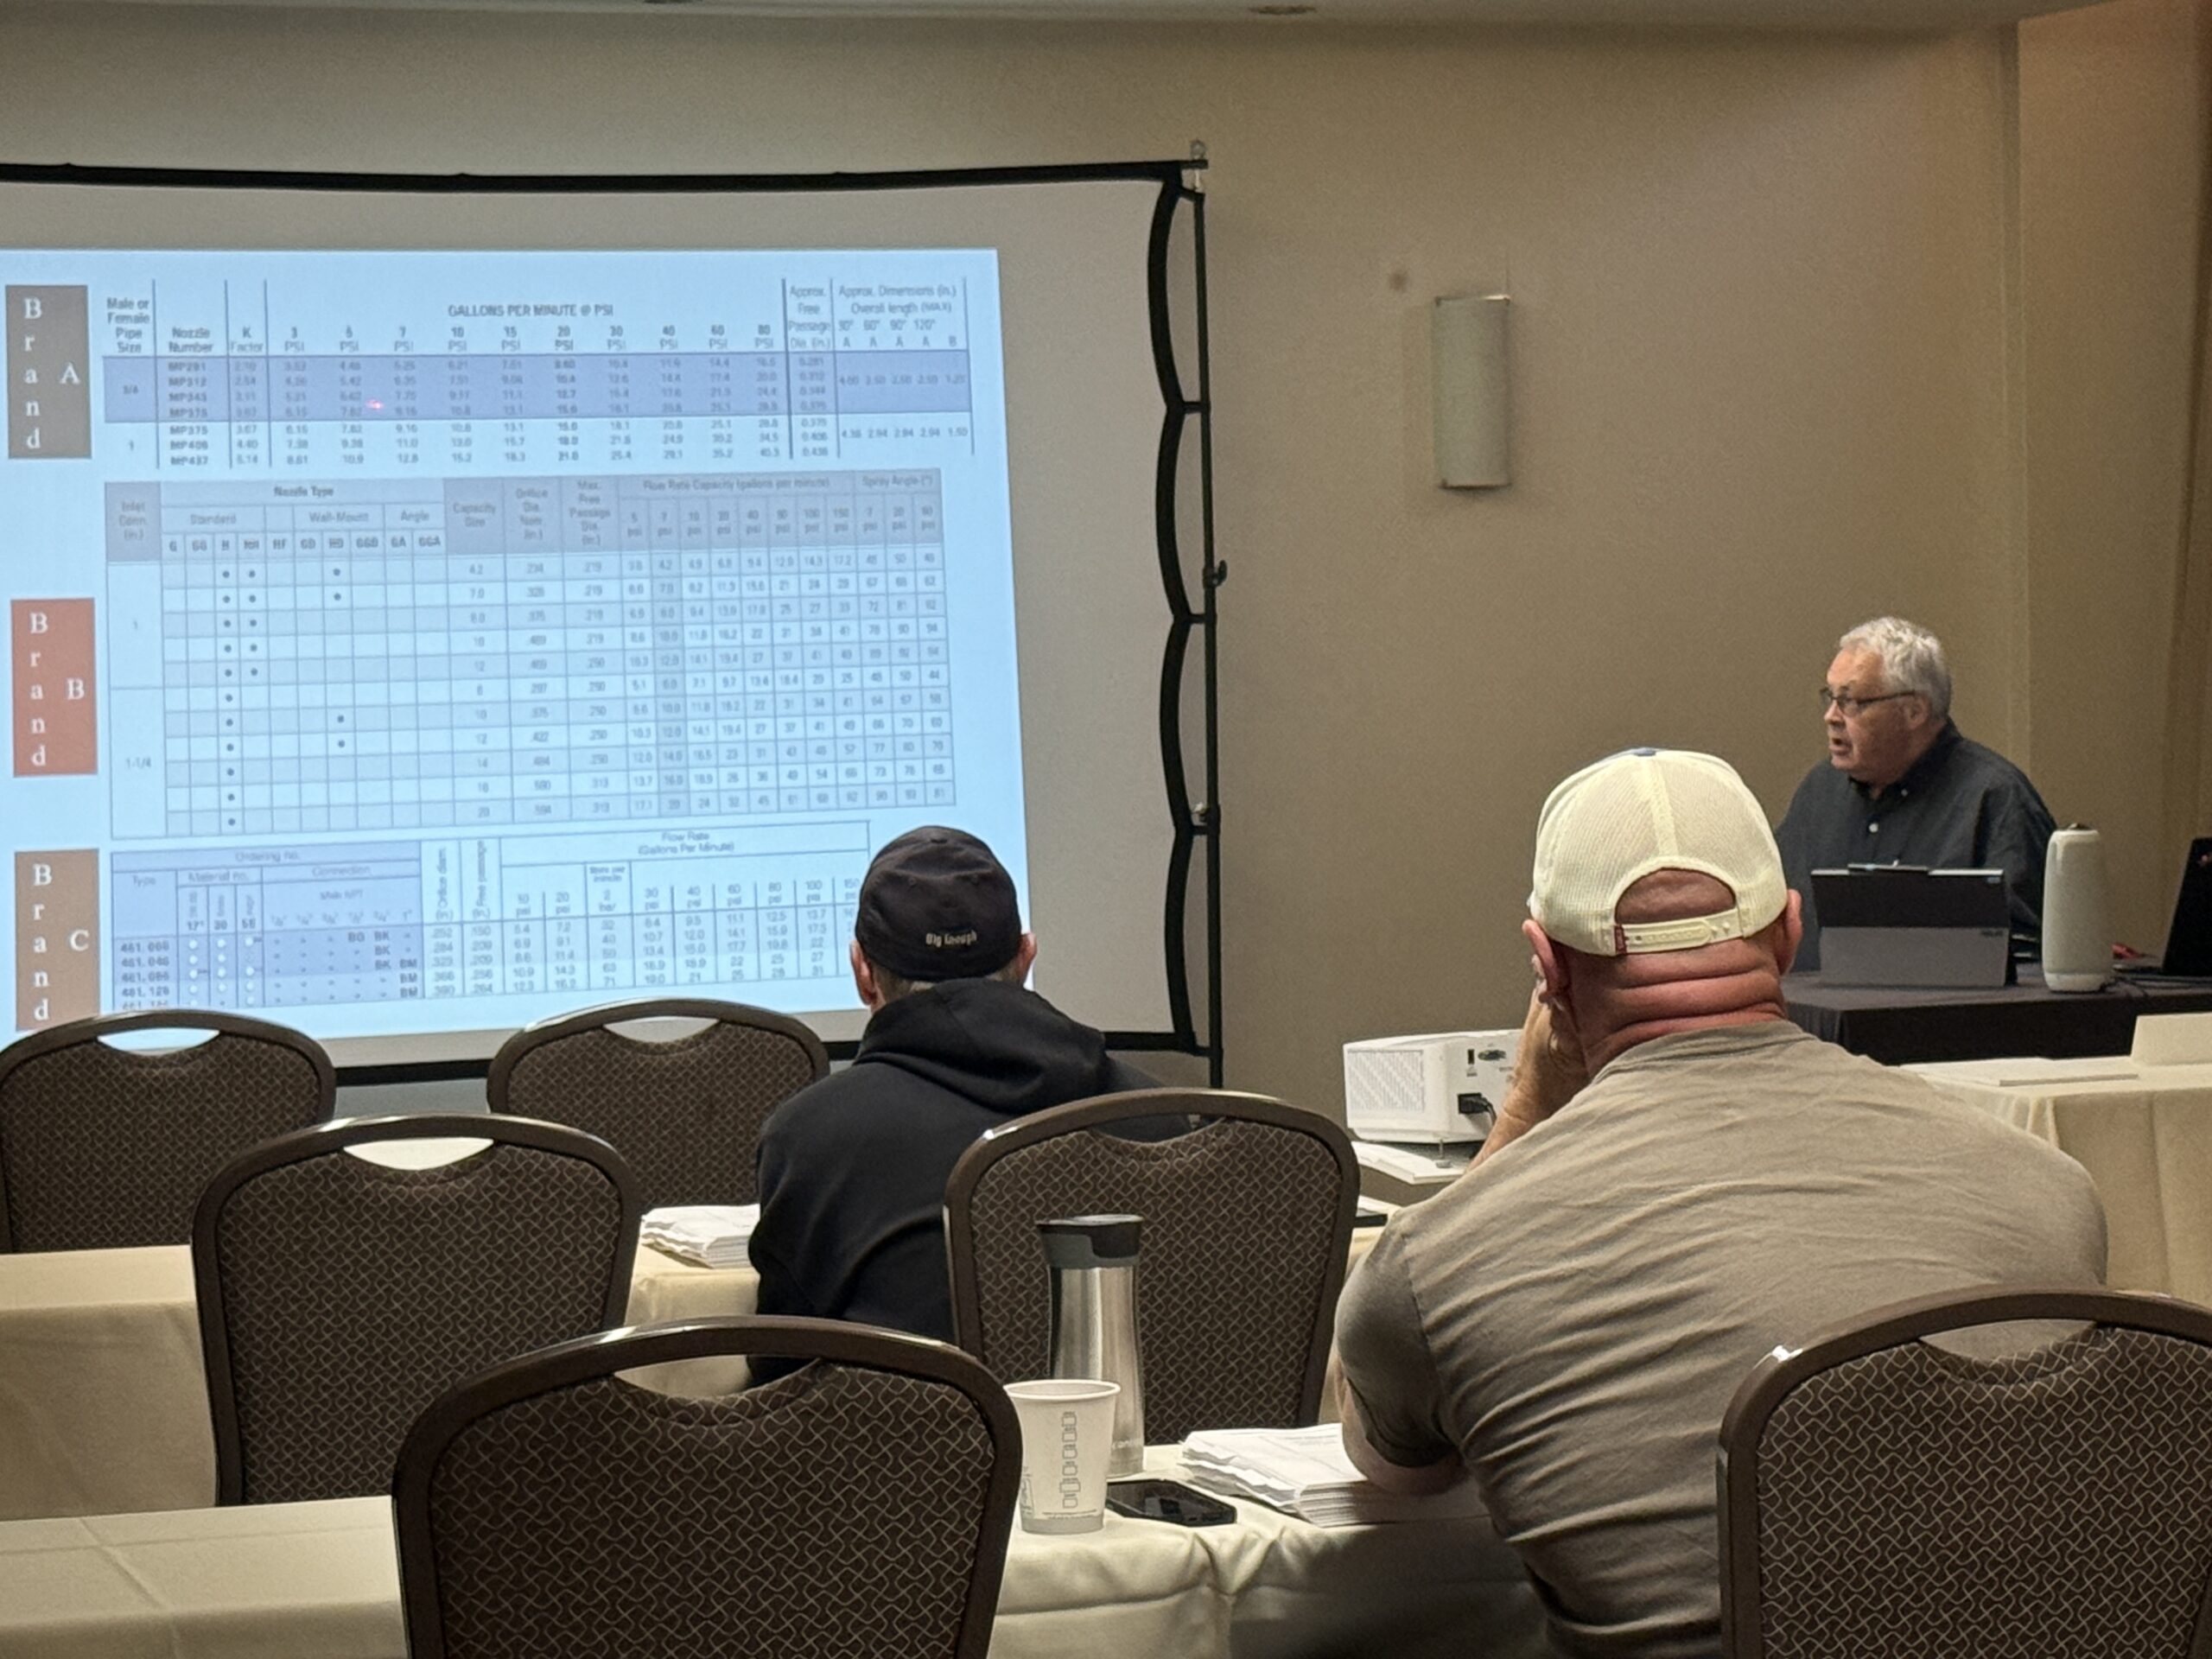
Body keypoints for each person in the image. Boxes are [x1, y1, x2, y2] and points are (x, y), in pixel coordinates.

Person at [1332, 748, 2106, 1659]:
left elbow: (1397, 1471)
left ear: (1547, 965)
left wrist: (1527, 1105)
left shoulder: (1437, 1264)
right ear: (1788, 931)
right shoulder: (2052, 1186)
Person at [748, 826, 1157, 1373]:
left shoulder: (811, 1137)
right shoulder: (1161, 1115)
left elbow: (782, 1369)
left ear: (862, 972)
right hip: (1146, 1429)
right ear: (1026, 956)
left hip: (914, 1431)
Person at [1776, 615, 2056, 969]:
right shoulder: (1819, 791)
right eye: (1831, 698)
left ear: (1914, 711)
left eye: (1851, 701)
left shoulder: (1995, 799)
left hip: (1943, 1005)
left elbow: (2027, 961)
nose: (1831, 716)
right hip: (1811, 1004)